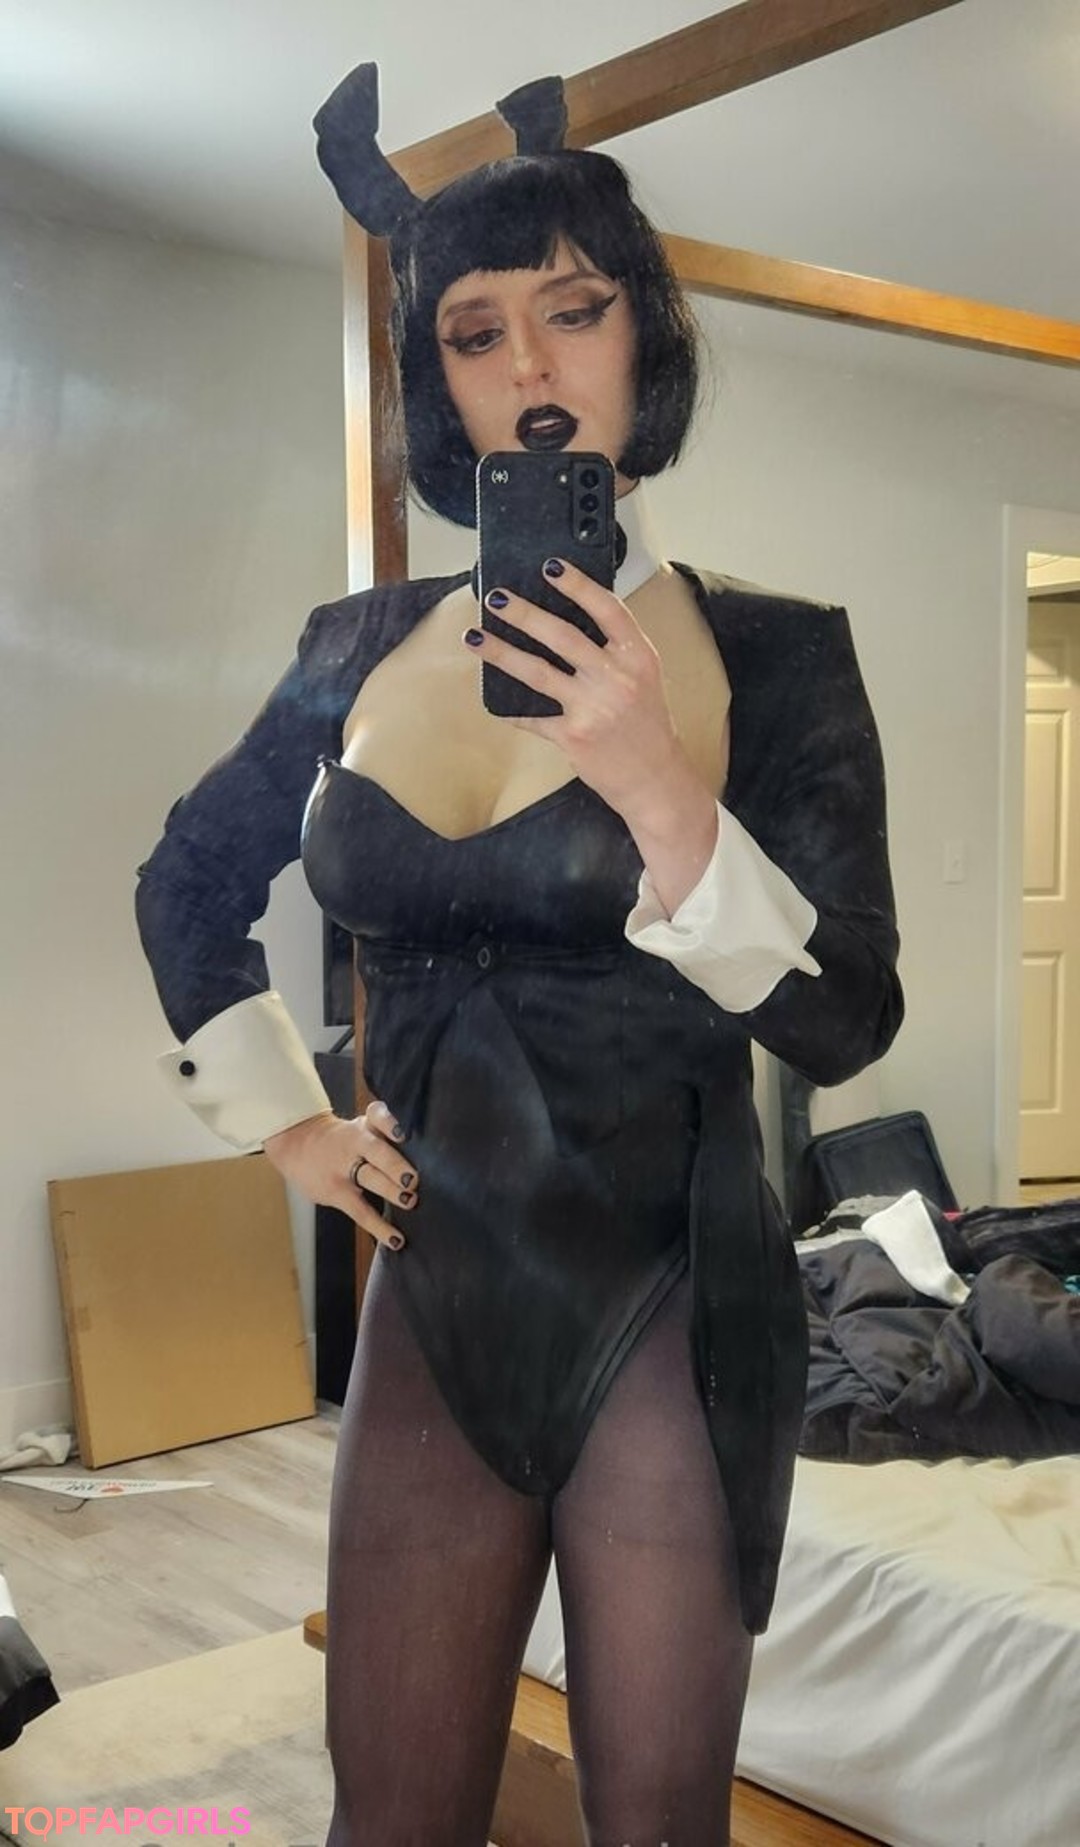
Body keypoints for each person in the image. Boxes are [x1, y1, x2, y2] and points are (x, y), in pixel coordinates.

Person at [135, 62, 903, 1847]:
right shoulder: (353, 648)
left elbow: (850, 1016)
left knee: (659, 1826)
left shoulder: (775, 656)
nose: (533, 367)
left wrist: (659, 786)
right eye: (476, 333)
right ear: (439, 383)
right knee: (388, 1818)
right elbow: (191, 880)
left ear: (649, 342)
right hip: (432, 1299)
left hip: (672, 1306)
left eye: (576, 310)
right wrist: (288, 1124)